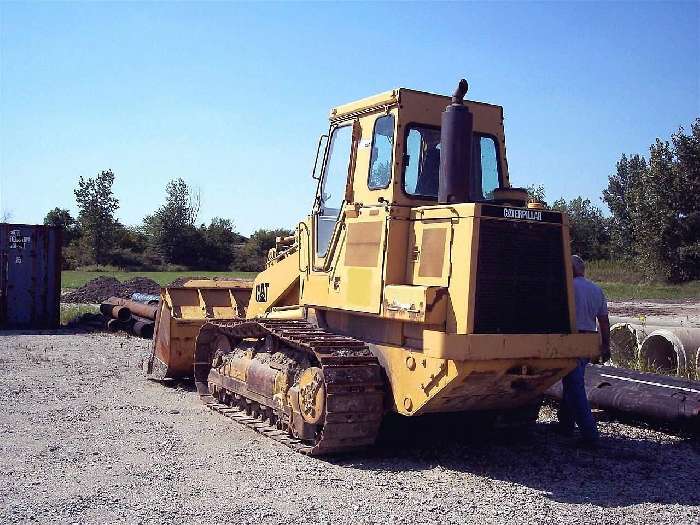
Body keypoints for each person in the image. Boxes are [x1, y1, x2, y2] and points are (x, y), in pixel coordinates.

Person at [557, 255, 611, 448]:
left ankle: (590, 435)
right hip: (589, 340)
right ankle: (565, 425)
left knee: (574, 386)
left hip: (571, 340)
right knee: (571, 381)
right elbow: (603, 321)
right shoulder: (596, 289)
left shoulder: (568, 288)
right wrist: (606, 346)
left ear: (570, 269)